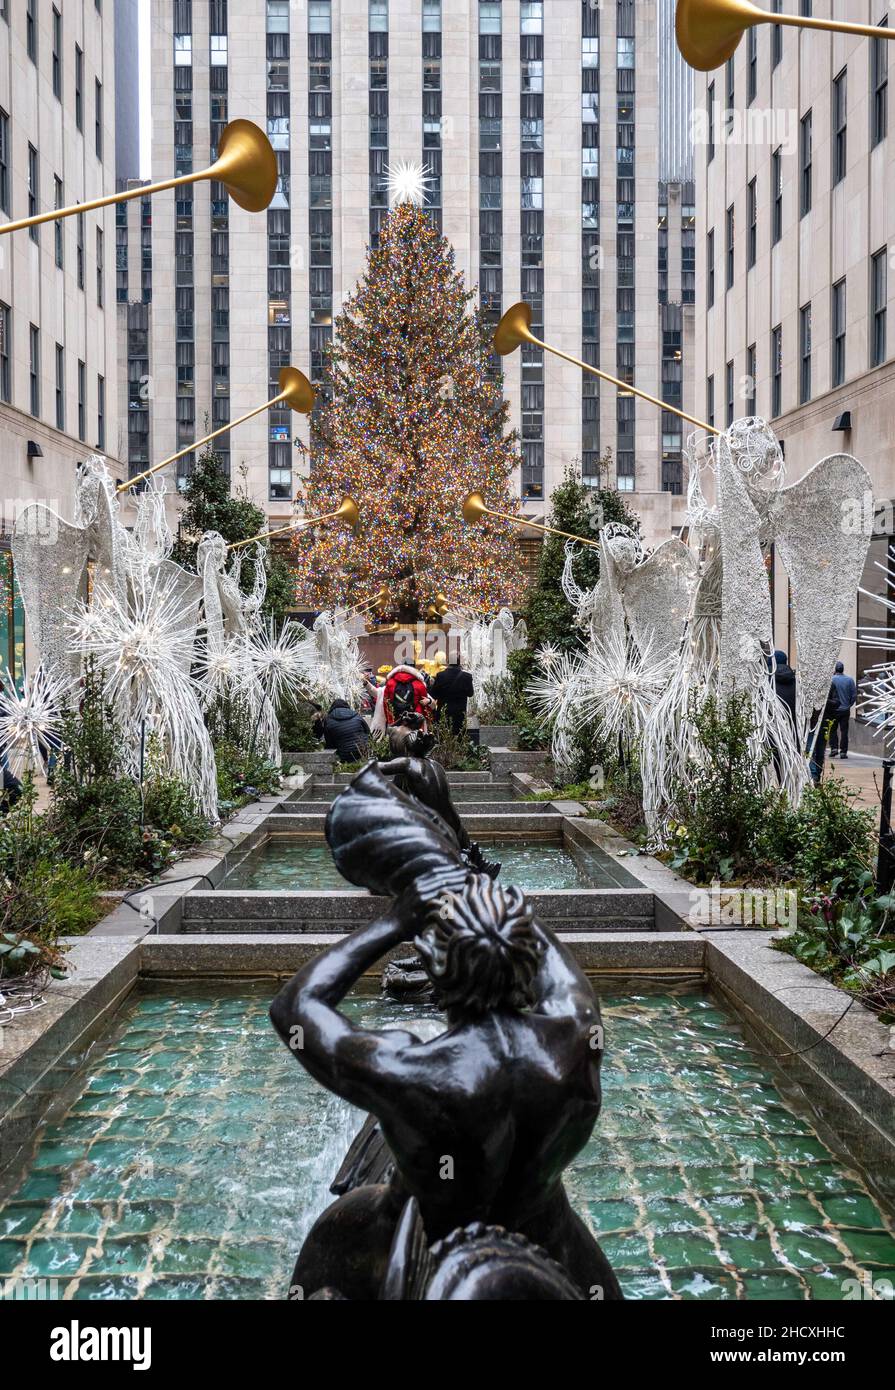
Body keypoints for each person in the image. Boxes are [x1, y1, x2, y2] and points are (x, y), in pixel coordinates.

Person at [270, 865, 623, 1301]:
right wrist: (495, 899)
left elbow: (293, 1007)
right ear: (525, 951)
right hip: (551, 1241)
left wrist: (395, 921)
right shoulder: (574, 1042)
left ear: (433, 964)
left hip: (426, 1251)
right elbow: (559, 970)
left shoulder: (411, 1072)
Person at [430, 656, 475, 736]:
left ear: (448, 662)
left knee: (443, 736)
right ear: (459, 663)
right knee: (459, 736)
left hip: (444, 712)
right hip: (460, 713)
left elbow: (434, 695)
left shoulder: (440, 676)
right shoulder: (467, 676)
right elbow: (470, 694)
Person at [808, 682, 841, 786]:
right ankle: (813, 776)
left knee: (820, 752)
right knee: (810, 751)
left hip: (823, 723)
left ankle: (816, 775)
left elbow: (837, 702)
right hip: (810, 724)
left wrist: (824, 701)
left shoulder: (830, 684)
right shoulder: (808, 683)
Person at [828, 660, 857, 759]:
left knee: (832, 729)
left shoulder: (831, 679)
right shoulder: (849, 680)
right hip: (845, 709)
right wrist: (849, 705)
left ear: (835, 669)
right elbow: (854, 695)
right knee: (844, 731)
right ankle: (843, 751)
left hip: (833, 710)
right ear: (843, 669)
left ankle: (834, 748)